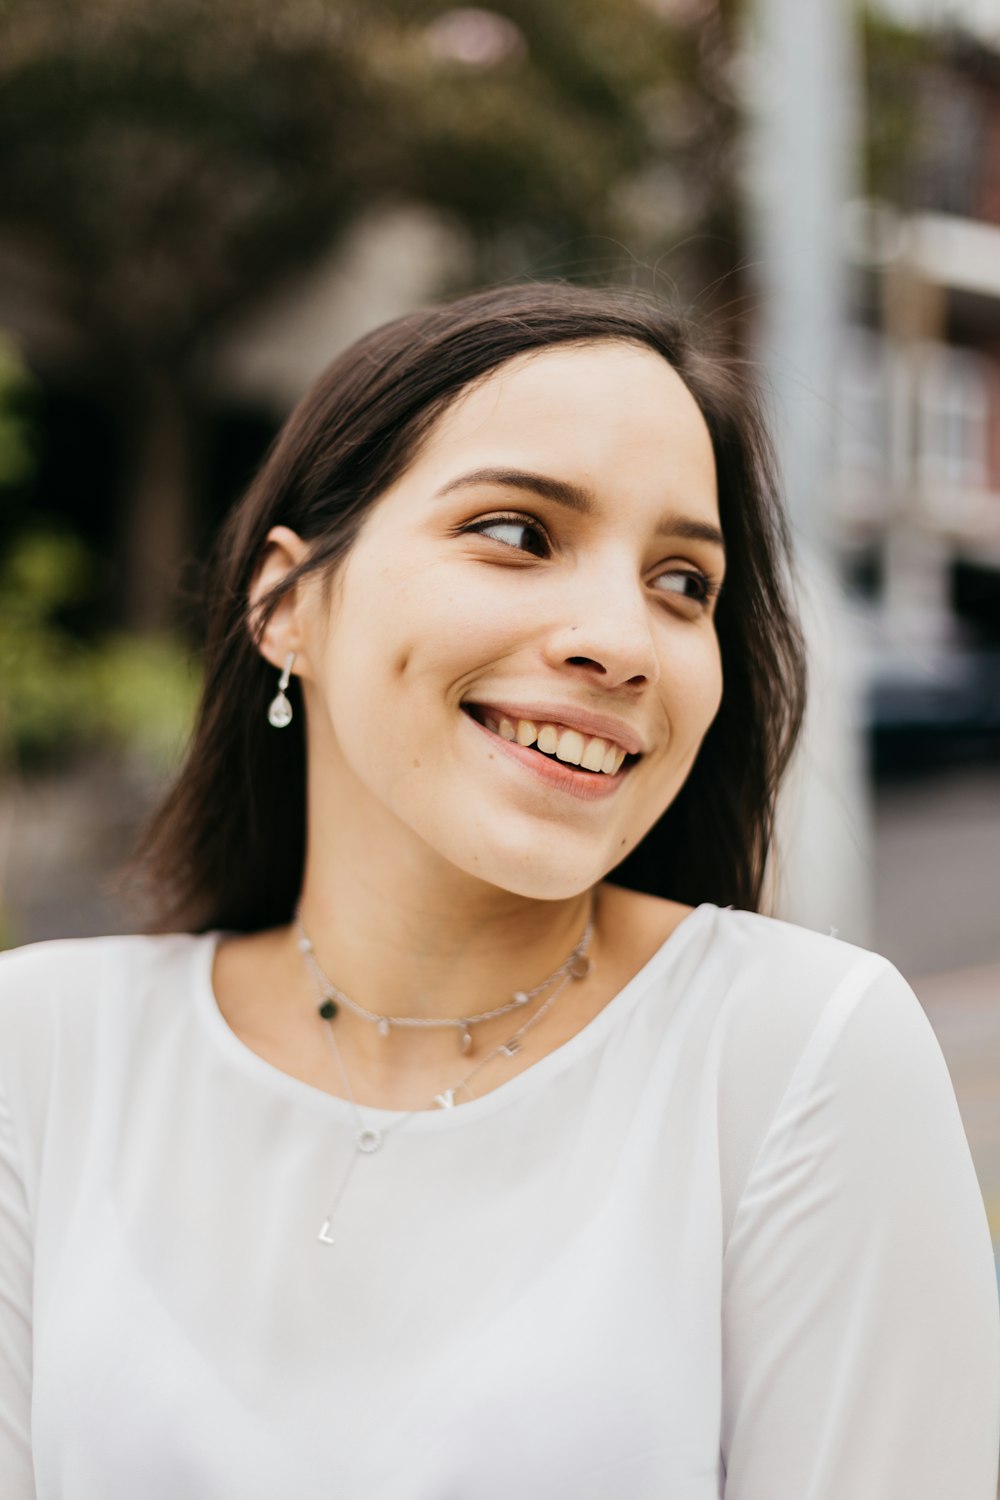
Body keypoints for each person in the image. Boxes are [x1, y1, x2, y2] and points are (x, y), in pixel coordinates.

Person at [0, 282, 997, 1500]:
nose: (622, 641)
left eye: (682, 582)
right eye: (518, 533)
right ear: (286, 603)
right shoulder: (42, 1056)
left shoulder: (794, 1059)